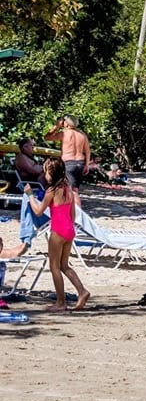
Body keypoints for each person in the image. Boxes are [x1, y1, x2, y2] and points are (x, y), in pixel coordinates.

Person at [24, 158, 90, 312]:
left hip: (58, 231)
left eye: (46, 171)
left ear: (51, 173)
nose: (45, 175)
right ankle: (82, 291)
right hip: (69, 230)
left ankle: (61, 302)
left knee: (54, 266)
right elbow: (72, 213)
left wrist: (30, 195)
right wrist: (70, 229)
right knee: (64, 265)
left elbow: (38, 211)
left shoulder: (51, 191)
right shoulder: (68, 188)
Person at [43, 115, 91, 207]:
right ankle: (71, 210)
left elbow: (47, 137)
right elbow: (88, 151)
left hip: (68, 163)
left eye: (64, 121)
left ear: (67, 123)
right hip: (80, 163)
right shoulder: (82, 135)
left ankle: (77, 212)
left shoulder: (64, 134)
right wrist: (87, 165)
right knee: (74, 189)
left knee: (72, 191)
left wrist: (56, 126)